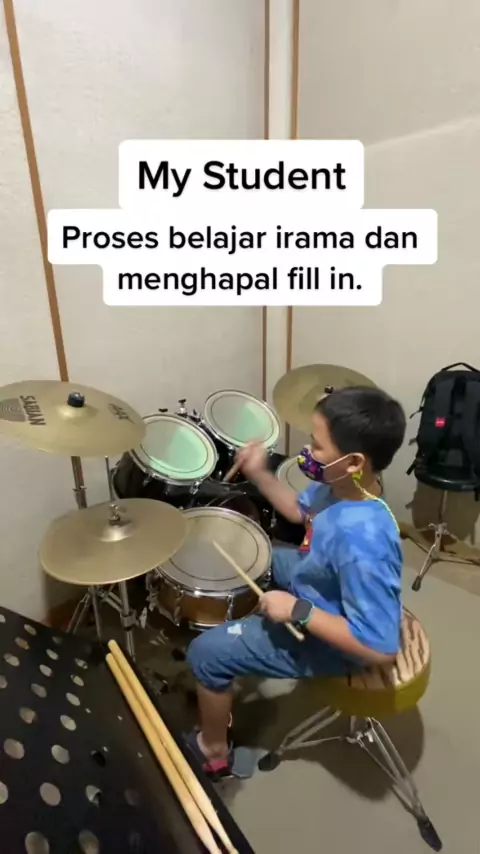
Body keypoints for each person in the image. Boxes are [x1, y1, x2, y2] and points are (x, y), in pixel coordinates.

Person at [185, 386, 407, 777]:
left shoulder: (364, 541)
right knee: (255, 553)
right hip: (317, 574)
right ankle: (241, 650)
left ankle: (214, 751)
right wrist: (258, 473)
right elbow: (299, 511)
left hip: (335, 641)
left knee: (205, 653)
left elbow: (380, 646)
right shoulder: (343, 484)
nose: (307, 451)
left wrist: (297, 610)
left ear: (354, 461)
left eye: (317, 445)